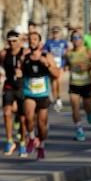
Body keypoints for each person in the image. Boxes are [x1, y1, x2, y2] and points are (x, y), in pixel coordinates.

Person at [18, 29, 62, 159]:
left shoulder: (47, 55)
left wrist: (47, 65)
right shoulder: (24, 57)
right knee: (29, 117)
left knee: (42, 124)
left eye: (35, 40)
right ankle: (31, 137)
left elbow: (57, 74)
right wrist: (18, 74)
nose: (32, 42)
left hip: (42, 94)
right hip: (29, 92)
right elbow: (19, 72)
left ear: (40, 42)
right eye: (30, 40)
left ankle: (41, 145)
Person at [0, 30, 26, 155]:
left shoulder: (25, 53)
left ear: (19, 41)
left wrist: (23, 72)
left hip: (22, 87)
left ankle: (23, 142)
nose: (12, 44)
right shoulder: (3, 53)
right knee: (7, 112)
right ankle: (9, 141)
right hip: (8, 86)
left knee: (23, 118)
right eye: (10, 41)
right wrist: (0, 74)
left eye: (15, 41)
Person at [65, 33, 91, 140]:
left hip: (86, 83)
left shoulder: (88, 51)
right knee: (75, 107)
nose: (76, 40)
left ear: (82, 40)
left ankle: (89, 113)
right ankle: (79, 131)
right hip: (74, 83)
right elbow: (66, 65)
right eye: (74, 38)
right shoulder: (69, 53)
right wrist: (66, 68)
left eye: (78, 37)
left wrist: (88, 66)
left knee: (87, 106)